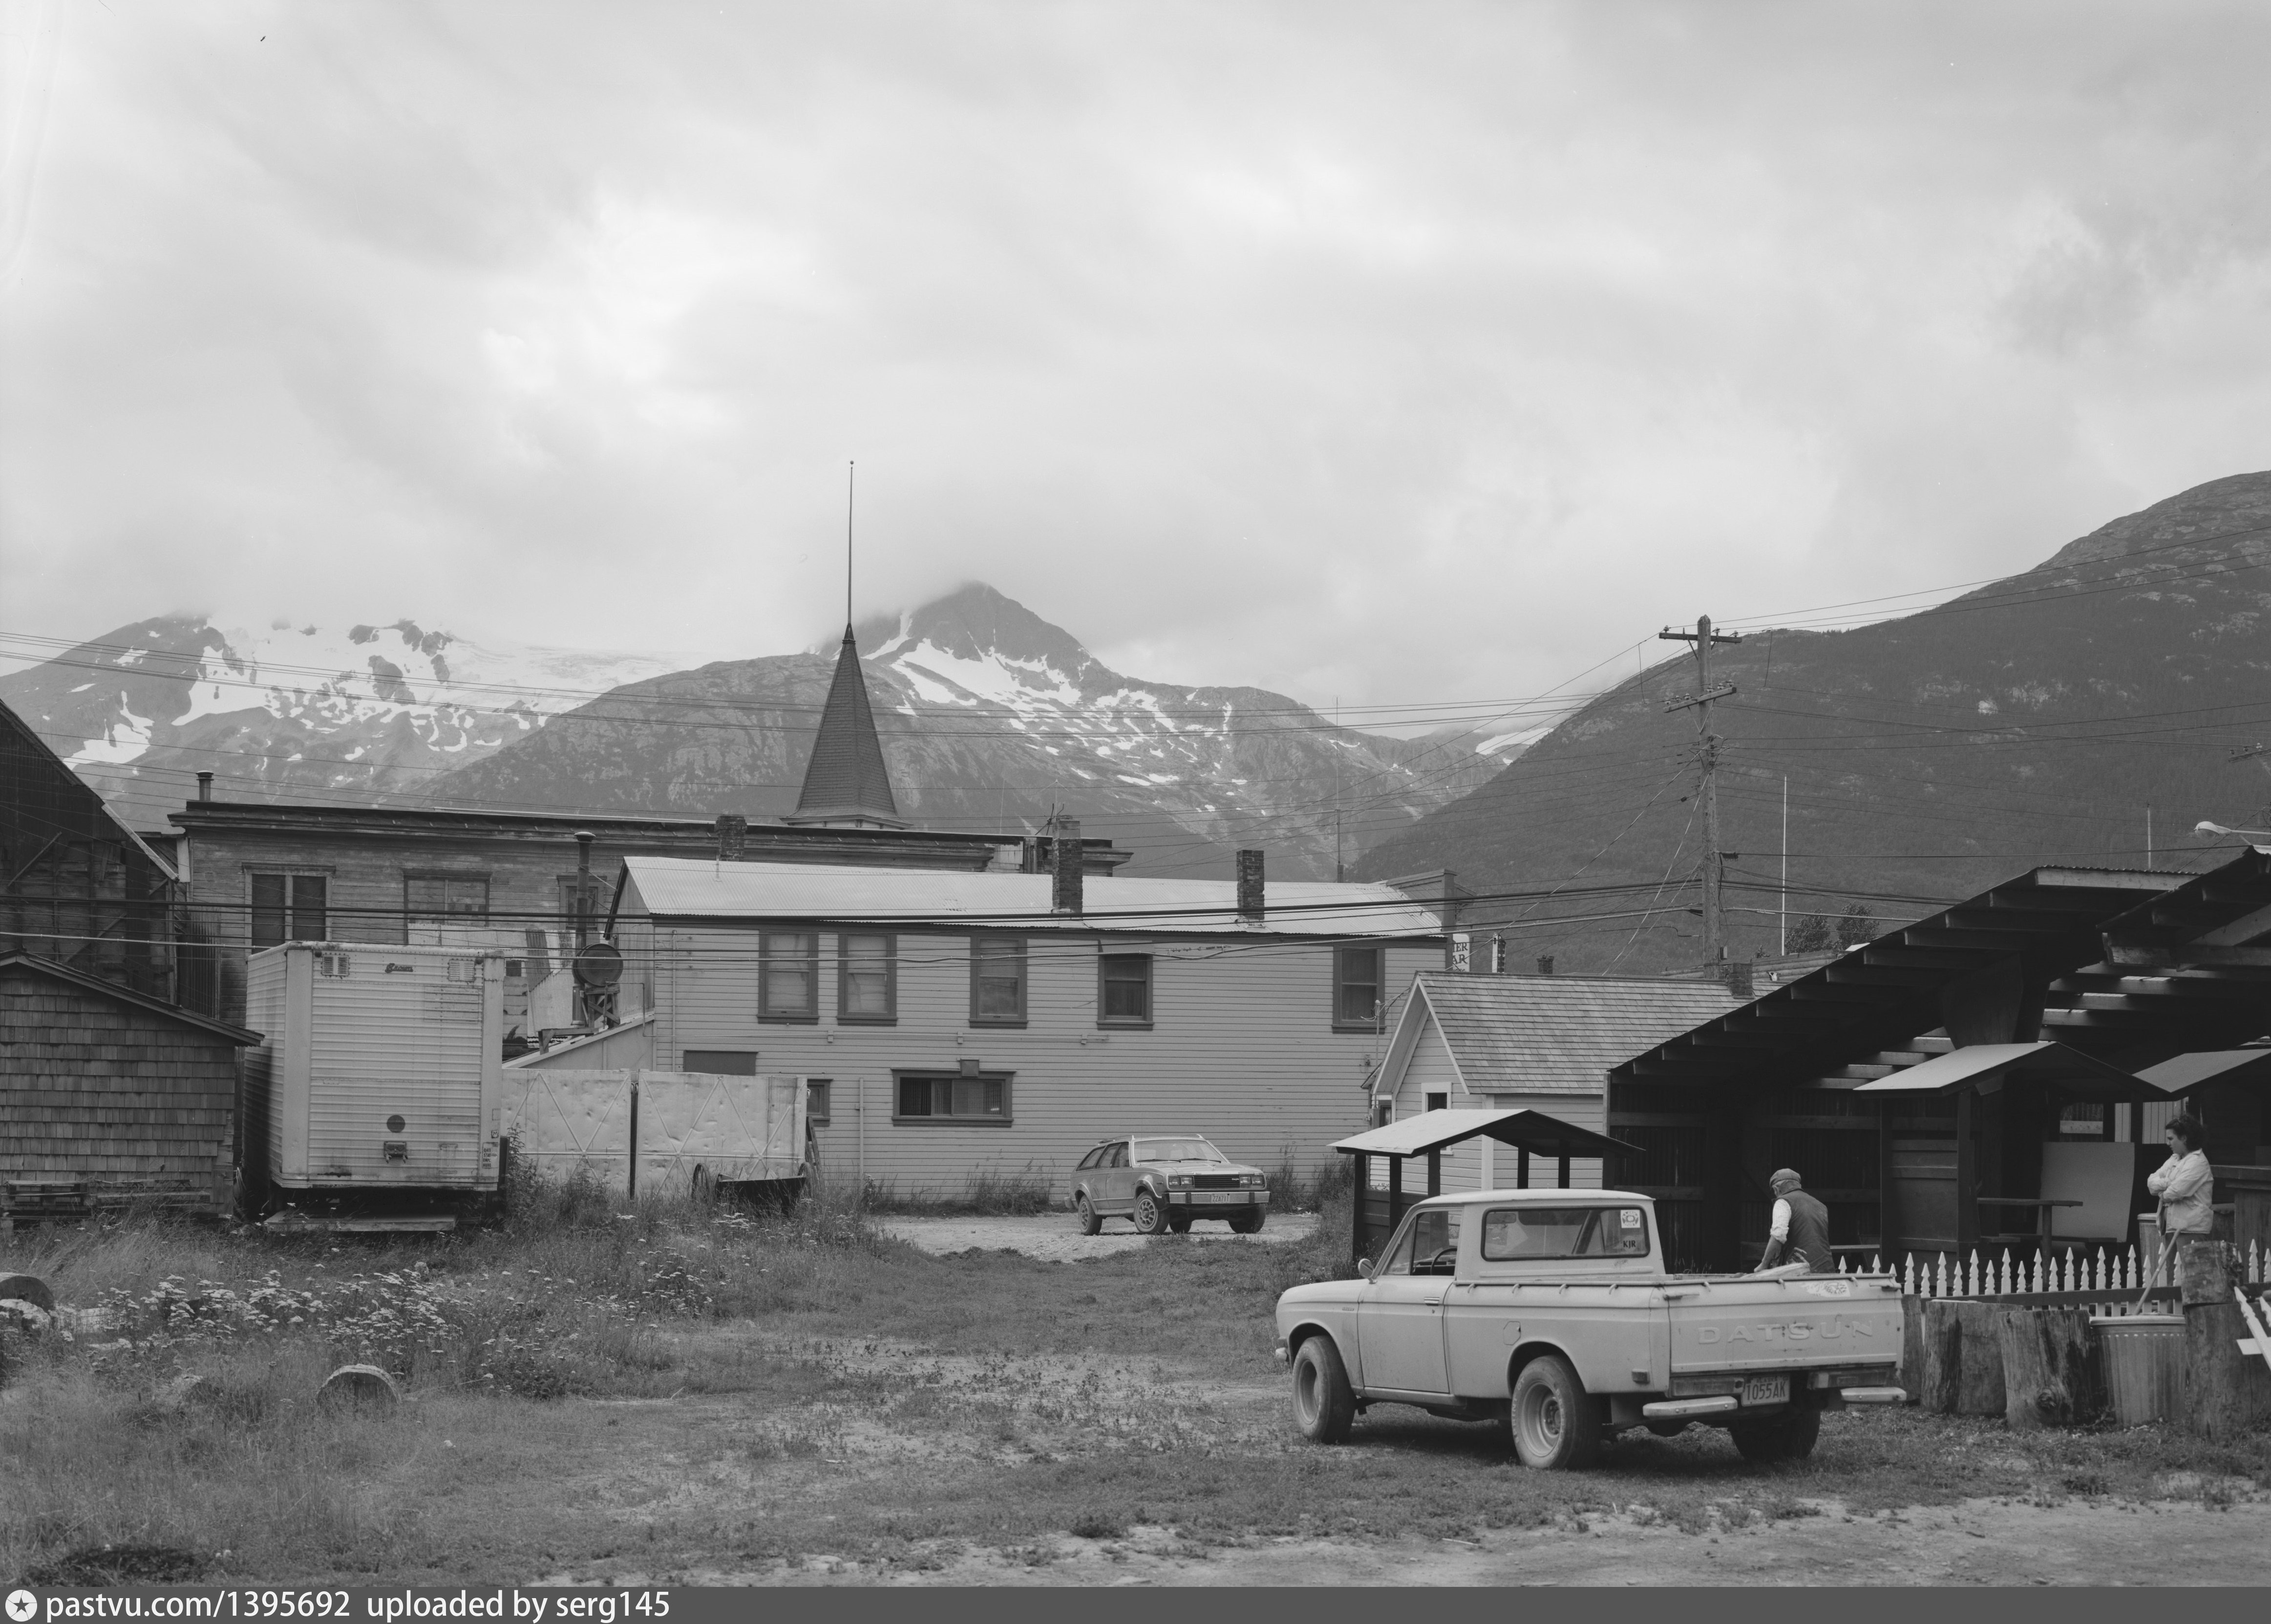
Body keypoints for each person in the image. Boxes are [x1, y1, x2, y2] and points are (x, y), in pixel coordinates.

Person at [2145, 1113, 2215, 1250]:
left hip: (2191, 1229)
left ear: (2184, 1138)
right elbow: (2151, 1183)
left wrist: (2162, 1193)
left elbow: (2175, 1192)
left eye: (2171, 1139)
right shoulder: (2175, 1159)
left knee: (2188, 1265)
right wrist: (2169, 1182)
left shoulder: (2198, 1162)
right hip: (2172, 1226)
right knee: (2172, 1265)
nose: (2168, 1143)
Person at [1755, 1167, 1832, 1272]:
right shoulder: (1820, 1205)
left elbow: (1778, 1236)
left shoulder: (1783, 1202)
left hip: (1801, 1272)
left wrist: (1764, 1265)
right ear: (1799, 1185)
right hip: (1827, 1270)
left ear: (1776, 1189)